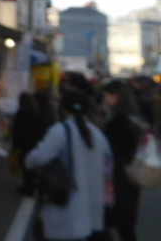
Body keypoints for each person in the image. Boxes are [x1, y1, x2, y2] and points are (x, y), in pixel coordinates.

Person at [25, 90, 113, 241]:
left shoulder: (60, 131)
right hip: (93, 213)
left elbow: (35, 159)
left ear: (63, 107)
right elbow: (108, 172)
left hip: (66, 210)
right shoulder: (99, 136)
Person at [102, 79, 143, 241]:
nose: (105, 100)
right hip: (132, 178)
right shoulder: (135, 119)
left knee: (108, 224)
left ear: (116, 97)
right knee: (126, 228)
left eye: (107, 96)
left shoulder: (117, 123)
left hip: (116, 181)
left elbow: (109, 152)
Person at [12, 92, 45, 195]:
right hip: (34, 143)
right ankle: (31, 185)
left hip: (23, 144)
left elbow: (16, 131)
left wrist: (15, 146)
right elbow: (40, 129)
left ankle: (28, 188)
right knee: (32, 166)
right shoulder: (36, 113)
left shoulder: (21, 113)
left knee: (26, 167)